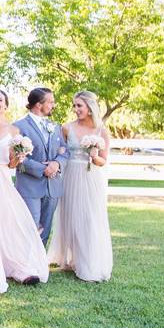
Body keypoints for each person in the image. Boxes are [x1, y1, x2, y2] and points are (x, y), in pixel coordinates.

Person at [0, 90, 48, 293]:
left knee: (7, 223)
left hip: (3, 178)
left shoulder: (14, 131)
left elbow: (12, 164)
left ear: (6, 106)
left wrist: (19, 158)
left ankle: (16, 266)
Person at [48, 90, 113, 282]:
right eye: (74, 106)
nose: (76, 109)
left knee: (90, 218)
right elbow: (60, 152)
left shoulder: (102, 132)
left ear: (90, 108)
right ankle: (70, 258)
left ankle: (88, 262)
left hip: (91, 177)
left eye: (79, 106)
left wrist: (94, 156)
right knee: (70, 216)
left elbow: (103, 161)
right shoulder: (66, 128)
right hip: (70, 176)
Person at [13, 87, 69, 245]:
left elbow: (65, 152)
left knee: (45, 228)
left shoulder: (55, 127)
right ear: (38, 104)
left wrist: (56, 163)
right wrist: (42, 168)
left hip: (52, 186)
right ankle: (26, 266)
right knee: (30, 228)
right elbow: (17, 159)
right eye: (50, 102)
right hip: (29, 186)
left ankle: (39, 266)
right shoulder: (19, 127)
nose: (53, 105)